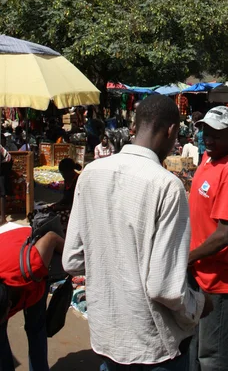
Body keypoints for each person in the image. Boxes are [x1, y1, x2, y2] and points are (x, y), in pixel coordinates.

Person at [63, 94, 209, 369]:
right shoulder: (167, 186)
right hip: (151, 346)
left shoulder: (91, 174)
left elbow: (72, 259)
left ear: (134, 127)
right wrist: (199, 305)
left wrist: (113, 264)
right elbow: (164, 288)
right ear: (172, 131)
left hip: (106, 337)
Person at [188, 106, 228, 371]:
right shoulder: (207, 157)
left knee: (215, 356)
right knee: (195, 346)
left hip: (217, 279)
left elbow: (225, 234)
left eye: (216, 134)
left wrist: (186, 257)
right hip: (197, 271)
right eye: (206, 131)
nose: (208, 138)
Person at [0, 226, 64, 371]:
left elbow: (51, 236)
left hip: (23, 250)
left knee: (35, 327)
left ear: (9, 306)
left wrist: (73, 259)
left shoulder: (32, 267)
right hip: (7, 254)